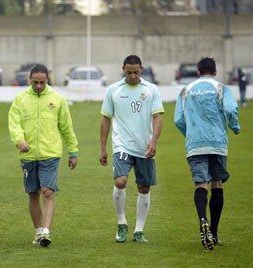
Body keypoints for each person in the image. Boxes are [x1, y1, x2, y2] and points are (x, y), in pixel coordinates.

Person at [8, 64, 78, 247]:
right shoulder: (20, 100)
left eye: (42, 82)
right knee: (33, 193)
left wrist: (73, 151)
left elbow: (66, 127)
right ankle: (38, 230)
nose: (39, 86)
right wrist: (19, 139)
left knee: (47, 192)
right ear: (29, 80)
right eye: (35, 82)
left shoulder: (57, 99)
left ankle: (46, 231)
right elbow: (14, 124)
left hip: (50, 154)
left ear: (48, 80)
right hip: (28, 155)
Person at [174, 57, 240, 250]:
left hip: (195, 143)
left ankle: (203, 219)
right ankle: (214, 231)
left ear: (198, 72)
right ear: (215, 71)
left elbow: (178, 119)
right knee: (217, 184)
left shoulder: (186, 90)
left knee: (200, 184)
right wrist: (234, 127)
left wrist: (191, 135)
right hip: (217, 142)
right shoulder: (221, 88)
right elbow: (231, 108)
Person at [100, 55, 164, 243]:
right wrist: (103, 147)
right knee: (120, 182)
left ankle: (139, 231)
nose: (133, 76)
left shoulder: (151, 89)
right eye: (129, 72)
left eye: (136, 72)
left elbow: (158, 116)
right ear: (123, 69)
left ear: (141, 69)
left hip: (144, 146)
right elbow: (105, 119)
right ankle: (121, 223)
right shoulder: (114, 90)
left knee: (144, 187)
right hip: (122, 145)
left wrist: (154, 141)